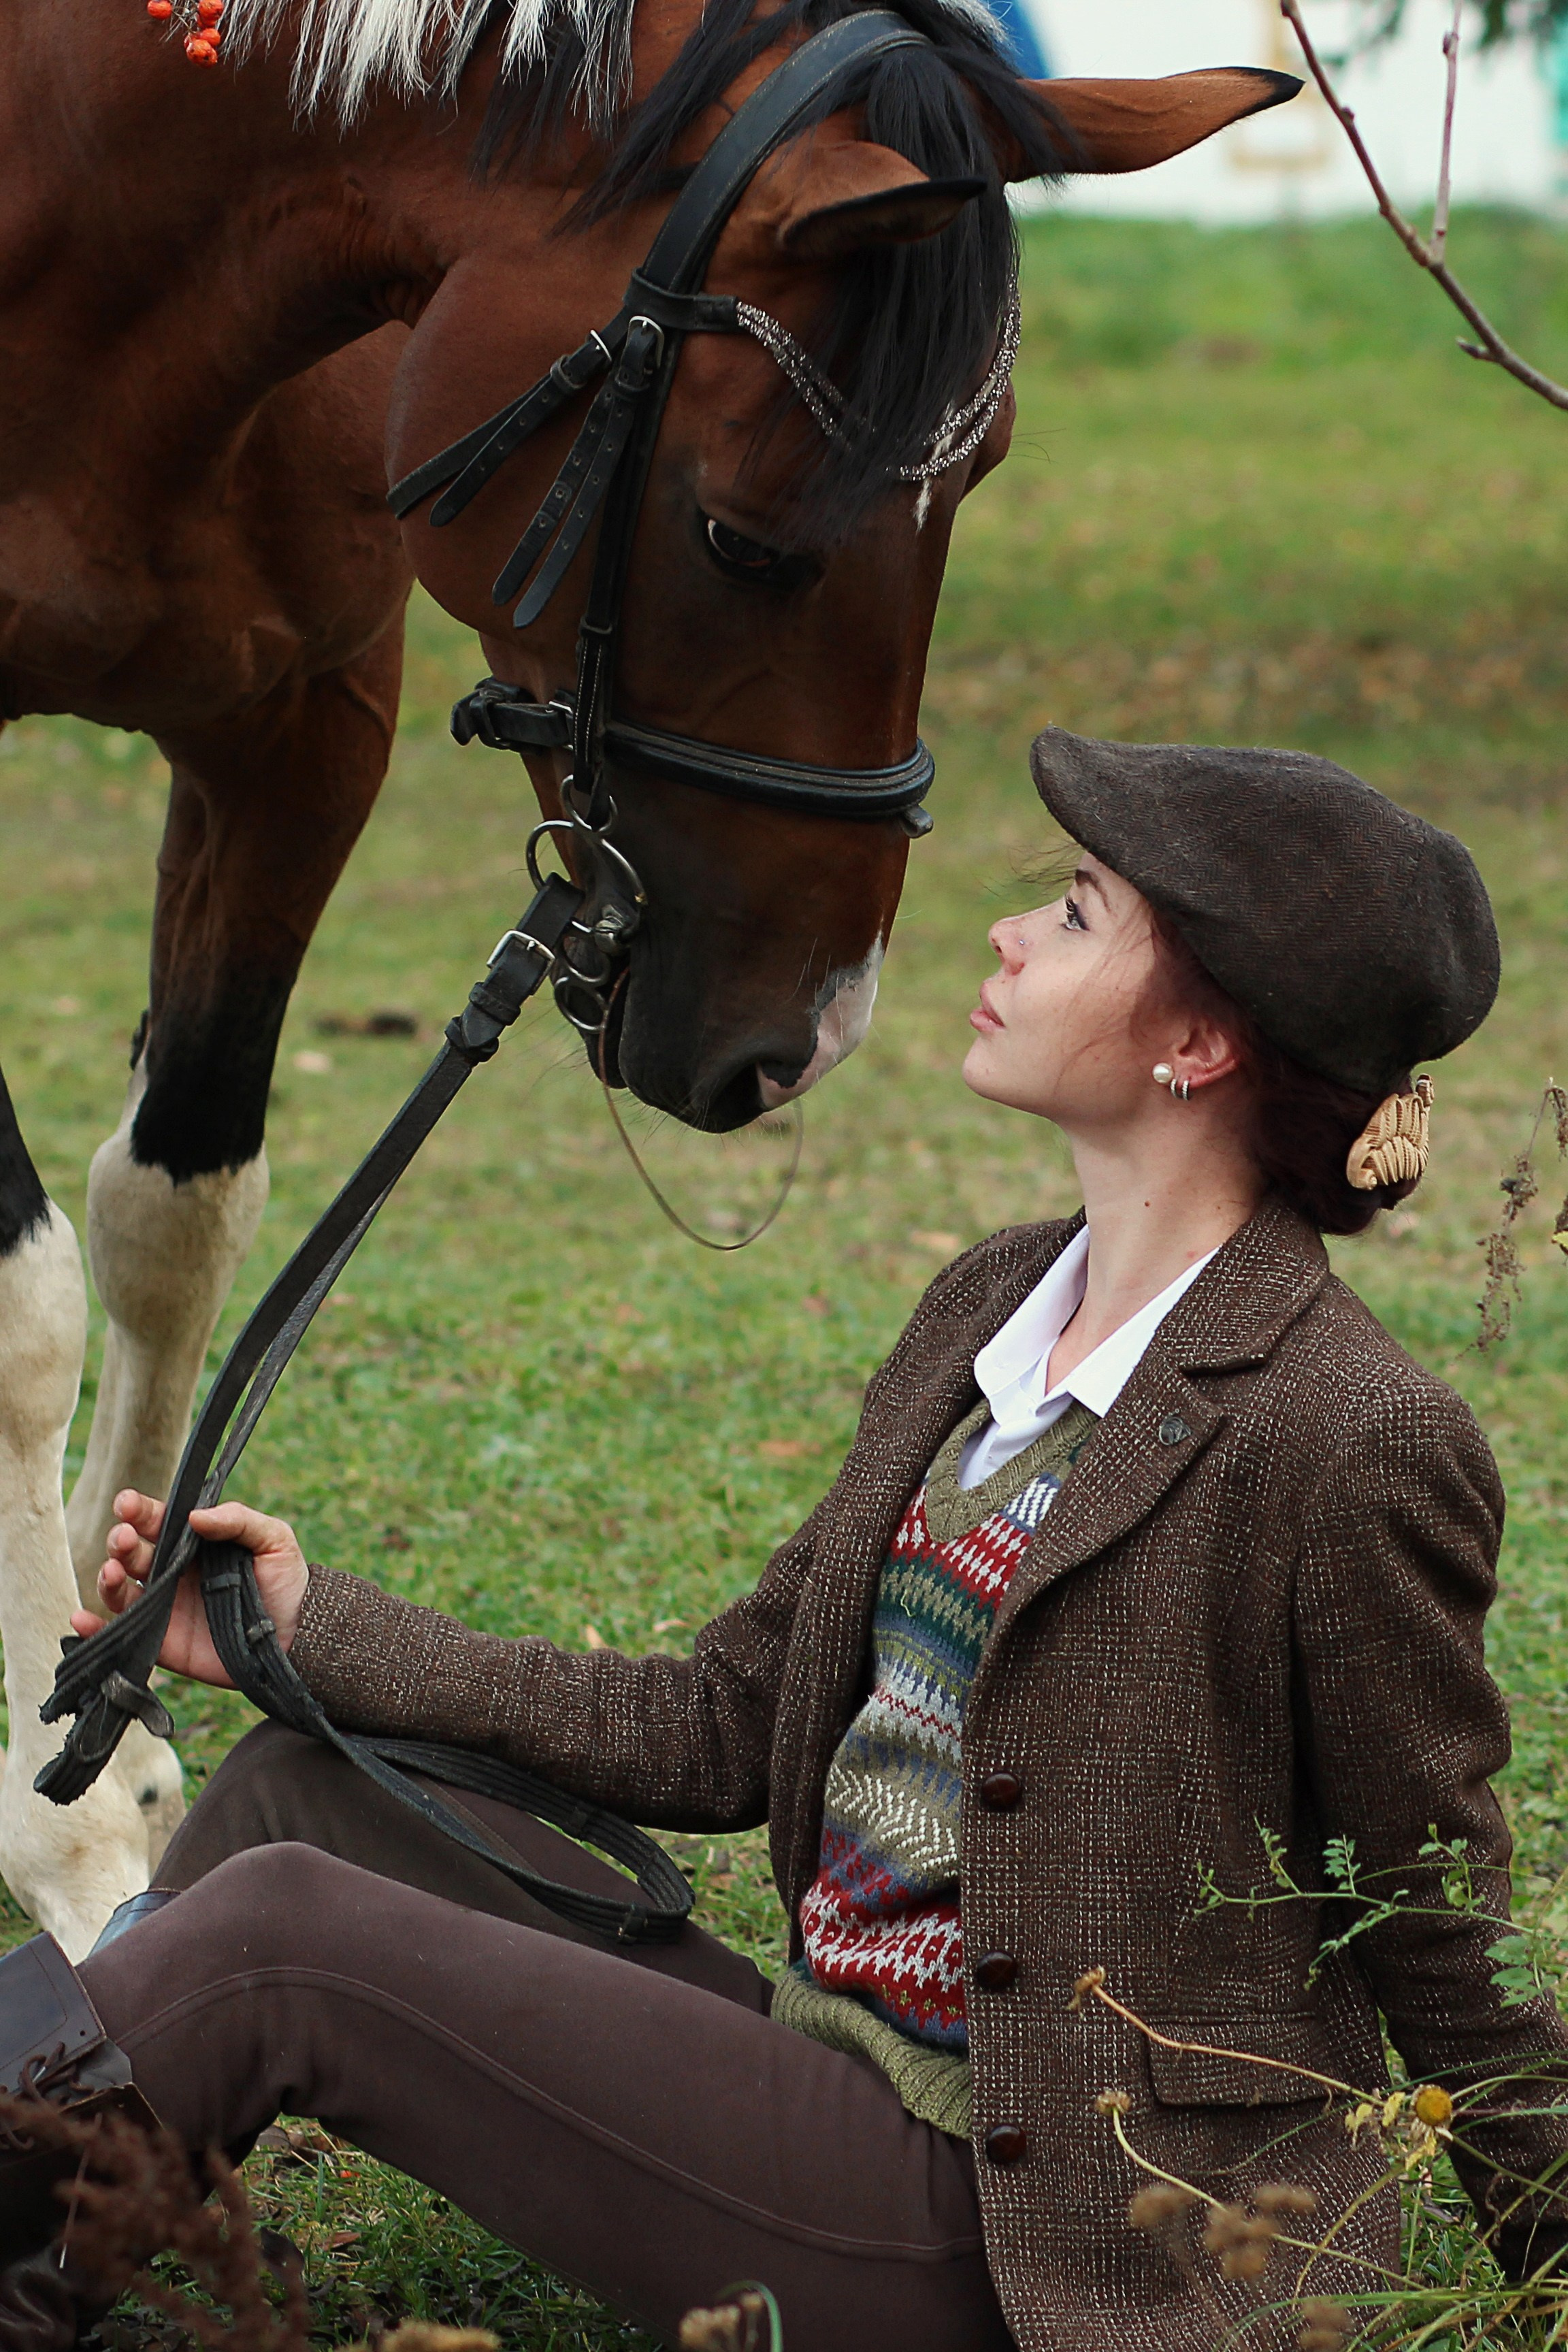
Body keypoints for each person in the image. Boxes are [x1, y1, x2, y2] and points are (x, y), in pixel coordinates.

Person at [3, 728, 1565, 2352]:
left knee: (283, 1947)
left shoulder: (1347, 1434)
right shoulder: (994, 1303)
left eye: (1083, 915)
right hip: (823, 2074)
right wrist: (310, 1625)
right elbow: (726, 1720)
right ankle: (49, 2264)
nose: (1008, 935)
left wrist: (1549, 2242)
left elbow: (1433, 1912)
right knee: (289, 1809)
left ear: (1199, 1041)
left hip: (1015, 2222)